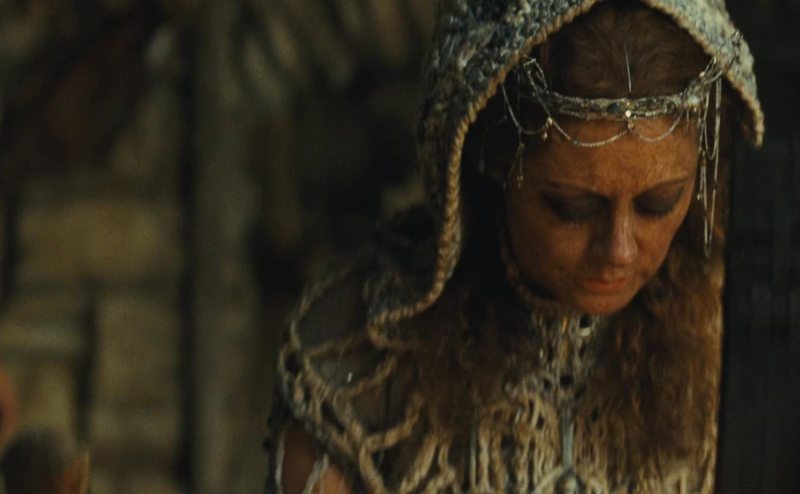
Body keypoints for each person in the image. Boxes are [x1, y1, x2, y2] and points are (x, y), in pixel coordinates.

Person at [264, 0, 764, 492]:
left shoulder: (733, 335)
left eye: (658, 203)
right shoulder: (361, 354)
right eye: (573, 207)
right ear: (492, 165)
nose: (620, 250)